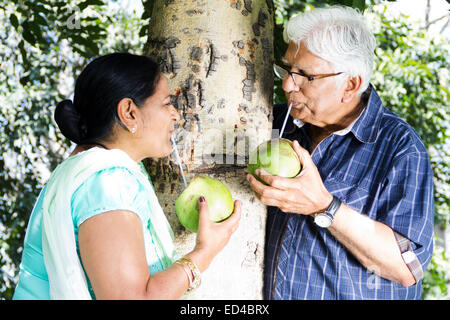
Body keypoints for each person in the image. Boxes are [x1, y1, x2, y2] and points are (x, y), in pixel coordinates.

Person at [13, 53, 241, 300]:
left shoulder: (87, 169)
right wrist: (204, 252)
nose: (175, 114)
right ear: (129, 112)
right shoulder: (106, 181)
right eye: (166, 103)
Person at [247, 6, 434, 299]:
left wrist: (324, 205)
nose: (286, 84)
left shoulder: (400, 147)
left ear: (351, 84)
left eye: (305, 76)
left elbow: (407, 268)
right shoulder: (274, 124)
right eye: (286, 70)